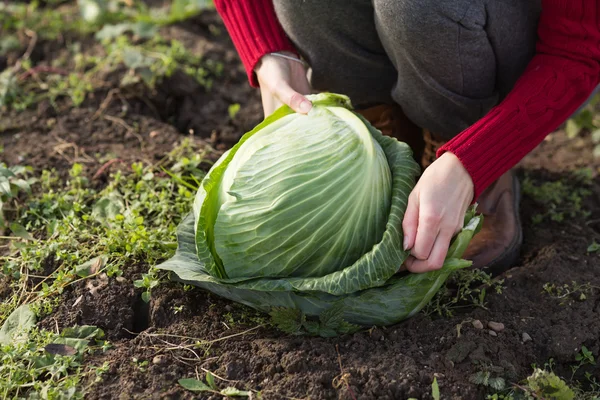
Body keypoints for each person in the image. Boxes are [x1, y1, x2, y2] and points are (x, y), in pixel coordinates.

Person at [214, 0, 600, 275]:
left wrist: (473, 161)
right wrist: (270, 50)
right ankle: (383, 129)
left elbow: (578, 50)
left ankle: (462, 143)